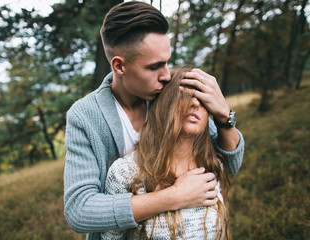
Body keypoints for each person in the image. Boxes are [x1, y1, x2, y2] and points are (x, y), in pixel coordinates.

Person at [64, 1, 244, 239]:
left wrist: (223, 116)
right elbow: (80, 210)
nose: (167, 75)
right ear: (119, 65)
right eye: (155, 66)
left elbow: (230, 164)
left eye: (167, 61)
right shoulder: (85, 116)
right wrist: (174, 196)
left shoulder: (170, 93)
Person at [101, 66, 231, 240]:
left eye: (203, 99)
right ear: (164, 103)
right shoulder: (125, 172)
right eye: (184, 95)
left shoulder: (214, 167)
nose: (195, 103)